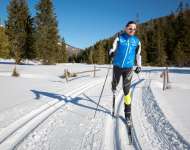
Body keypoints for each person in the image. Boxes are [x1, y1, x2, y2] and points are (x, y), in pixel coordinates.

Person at [109, 21, 141, 123]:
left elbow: (138, 55)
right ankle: (113, 88)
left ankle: (128, 114)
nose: (132, 30)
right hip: (117, 67)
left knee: (127, 91)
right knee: (115, 84)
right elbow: (112, 49)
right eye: (130, 28)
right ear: (126, 28)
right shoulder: (119, 38)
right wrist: (111, 53)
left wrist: (139, 66)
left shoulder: (137, 41)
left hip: (128, 68)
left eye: (134, 29)